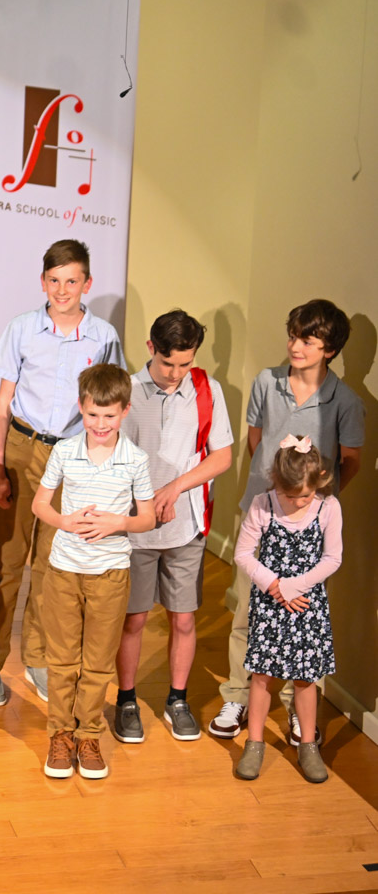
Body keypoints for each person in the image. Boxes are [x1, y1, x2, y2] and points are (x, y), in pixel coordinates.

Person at [0, 240, 125, 707]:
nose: (62, 290)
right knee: (9, 560)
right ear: (43, 282)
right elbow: (3, 403)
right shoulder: (22, 329)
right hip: (23, 450)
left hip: (73, 460)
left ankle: (38, 659)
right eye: (54, 280)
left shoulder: (103, 337)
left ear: (87, 284)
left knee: (52, 565)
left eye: (71, 281)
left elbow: (109, 408)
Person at [210, 299, 364, 743]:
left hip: (310, 528)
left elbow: (351, 461)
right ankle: (238, 693)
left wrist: (314, 503)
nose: (295, 346)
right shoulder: (266, 381)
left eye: (308, 340)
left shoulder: (346, 402)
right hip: (261, 514)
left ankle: (298, 706)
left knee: (304, 618)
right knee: (248, 608)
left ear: (329, 348)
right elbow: (257, 441)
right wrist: (271, 494)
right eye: (293, 336)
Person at [112, 311, 232, 746]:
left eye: (185, 363)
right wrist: (146, 500)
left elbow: (221, 456)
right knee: (134, 619)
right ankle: (126, 700)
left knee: (183, 619)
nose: (176, 373)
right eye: (168, 364)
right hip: (135, 529)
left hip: (187, 527)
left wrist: (176, 488)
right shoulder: (126, 391)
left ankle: (177, 700)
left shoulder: (206, 390)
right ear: (151, 349)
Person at [31, 364, 154, 780]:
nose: (101, 424)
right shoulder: (64, 452)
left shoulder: (135, 460)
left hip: (111, 574)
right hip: (64, 571)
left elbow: (148, 518)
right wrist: (64, 521)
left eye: (110, 415)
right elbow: (40, 504)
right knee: (62, 660)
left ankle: (89, 736)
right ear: (81, 408)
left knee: (98, 662)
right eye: (93, 414)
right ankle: (60, 735)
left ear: (125, 411)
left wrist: (118, 523)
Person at [231, 438, 342, 785]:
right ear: (276, 482)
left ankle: (308, 745)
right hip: (270, 603)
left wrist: (296, 586)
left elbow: (332, 558)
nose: (297, 502)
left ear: (319, 481)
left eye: (304, 496)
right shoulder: (263, 504)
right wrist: (275, 586)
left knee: (305, 678)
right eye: (290, 495)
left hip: (307, 604)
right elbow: (243, 554)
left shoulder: (328, 507)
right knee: (262, 676)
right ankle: (254, 743)